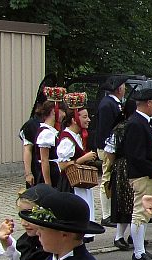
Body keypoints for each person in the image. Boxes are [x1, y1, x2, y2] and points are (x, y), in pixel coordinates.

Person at [124, 88, 152, 260]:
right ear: (148, 103)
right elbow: (136, 155)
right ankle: (138, 253)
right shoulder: (136, 123)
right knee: (140, 213)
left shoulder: (143, 122)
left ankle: (140, 249)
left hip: (146, 173)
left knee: (146, 212)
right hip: (142, 175)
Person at [56, 95, 99, 242]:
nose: (88, 120)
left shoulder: (76, 136)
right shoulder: (67, 138)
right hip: (71, 184)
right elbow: (62, 165)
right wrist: (84, 159)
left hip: (81, 182)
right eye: (85, 117)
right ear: (74, 119)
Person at [95, 75, 127, 227]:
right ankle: (106, 214)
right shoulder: (108, 105)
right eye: (124, 86)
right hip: (108, 147)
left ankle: (111, 212)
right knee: (106, 179)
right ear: (119, 88)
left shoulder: (115, 103)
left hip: (112, 146)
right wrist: (109, 148)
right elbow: (107, 129)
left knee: (111, 179)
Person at [104, 100, 137, 252]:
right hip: (125, 168)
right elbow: (109, 150)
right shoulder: (122, 129)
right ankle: (119, 236)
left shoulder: (123, 127)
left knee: (132, 202)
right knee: (125, 202)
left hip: (125, 166)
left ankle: (132, 235)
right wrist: (117, 164)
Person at [35, 100, 67, 190]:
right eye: (63, 111)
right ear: (54, 111)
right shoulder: (46, 133)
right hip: (50, 173)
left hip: (54, 171)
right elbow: (44, 160)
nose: (64, 115)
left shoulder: (51, 131)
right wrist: (48, 184)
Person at [19, 89, 48, 187]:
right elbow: (28, 150)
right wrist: (28, 173)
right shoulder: (31, 125)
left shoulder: (52, 124)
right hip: (37, 169)